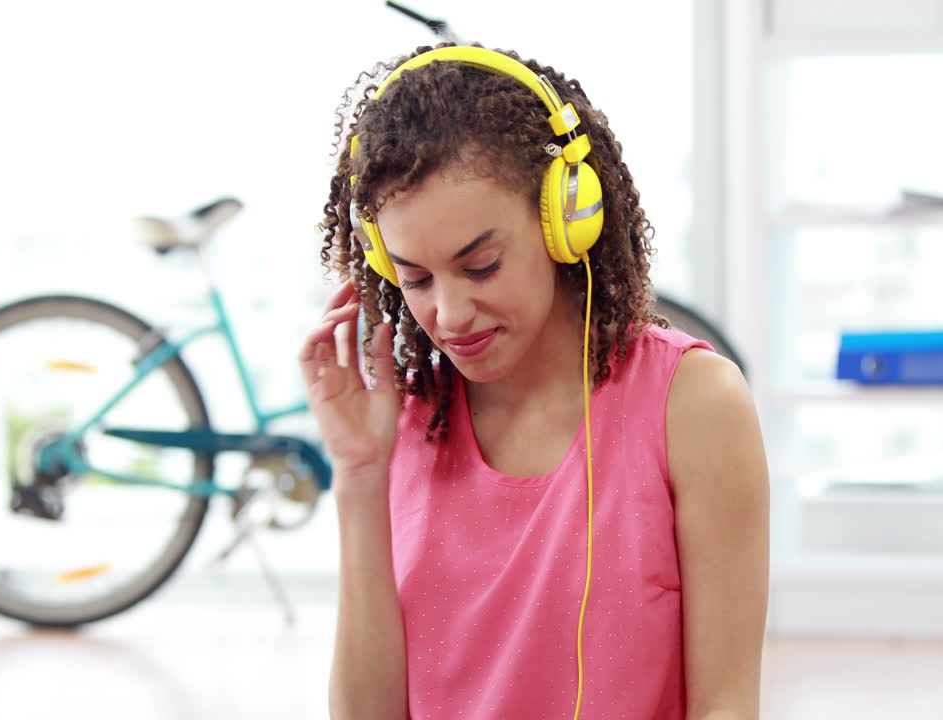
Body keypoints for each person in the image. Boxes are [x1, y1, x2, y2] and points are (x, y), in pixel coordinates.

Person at [301, 42, 770, 720]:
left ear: (566, 223)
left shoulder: (693, 407)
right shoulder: (399, 424)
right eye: (417, 278)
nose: (449, 314)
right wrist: (358, 473)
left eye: (481, 265)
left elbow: (726, 704)